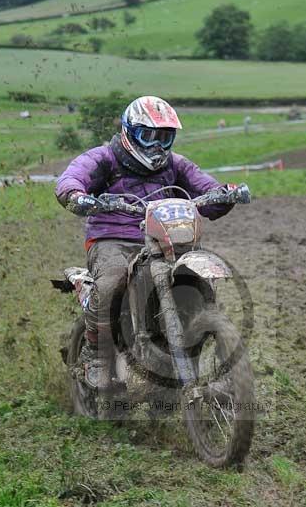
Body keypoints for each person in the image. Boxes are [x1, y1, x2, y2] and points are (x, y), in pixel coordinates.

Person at [56, 95, 236, 390]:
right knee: (112, 282)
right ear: (129, 131)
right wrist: (76, 194)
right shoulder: (104, 158)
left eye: (165, 138)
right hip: (113, 239)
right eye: (148, 135)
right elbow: (72, 178)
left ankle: (205, 338)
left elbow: (206, 188)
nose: (156, 146)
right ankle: (96, 355)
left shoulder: (176, 165)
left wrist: (224, 193)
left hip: (165, 239)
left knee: (195, 280)